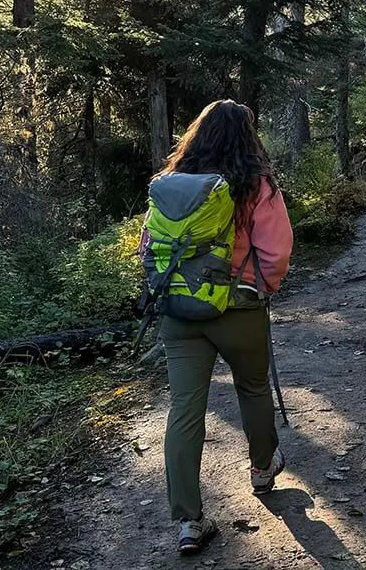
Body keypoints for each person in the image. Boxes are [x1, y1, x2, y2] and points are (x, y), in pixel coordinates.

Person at [142, 100, 294, 555]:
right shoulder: (256, 185)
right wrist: (261, 288)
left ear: (197, 134)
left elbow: (149, 245)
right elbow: (278, 252)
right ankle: (263, 470)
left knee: (185, 409)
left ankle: (188, 520)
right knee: (252, 387)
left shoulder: (170, 186)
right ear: (248, 137)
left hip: (179, 311)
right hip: (237, 308)